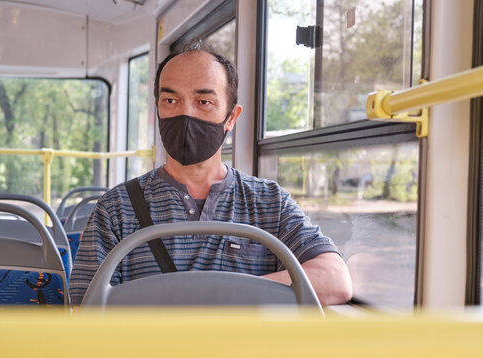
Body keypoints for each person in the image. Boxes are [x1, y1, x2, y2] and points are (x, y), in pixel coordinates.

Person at [69, 41, 352, 306]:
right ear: (157, 110)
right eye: (170, 101)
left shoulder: (268, 202)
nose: (185, 114)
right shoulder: (116, 208)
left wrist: (216, 298)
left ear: (231, 117)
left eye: (203, 102)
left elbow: (334, 278)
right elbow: (86, 309)